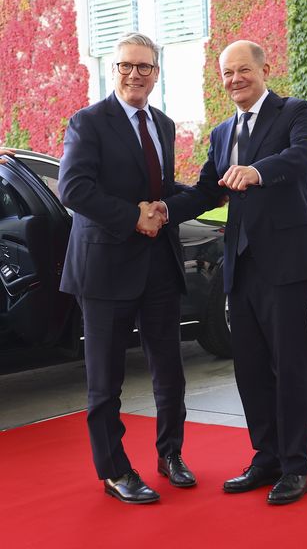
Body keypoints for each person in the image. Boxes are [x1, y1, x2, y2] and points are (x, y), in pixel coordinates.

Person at [149, 39, 307, 505]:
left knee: (289, 365)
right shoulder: (222, 132)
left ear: (265, 68)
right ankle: (266, 456)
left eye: (243, 70)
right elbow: (209, 190)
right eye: (227, 73)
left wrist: (257, 171)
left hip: (287, 263)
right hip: (240, 265)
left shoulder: (293, 112)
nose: (234, 80)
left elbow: (304, 155)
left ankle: (296, 466)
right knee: (249, 367)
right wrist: (164, 209)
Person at [58, 32, 200, 505]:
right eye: (126, 66)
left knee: (171, 372)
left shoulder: (161, 123)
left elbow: (156, 185)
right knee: (106, 380)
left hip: (157, 265)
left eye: (144, 67)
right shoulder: (87, 122)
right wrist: (133, 215)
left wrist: (208, 192)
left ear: (156, 73)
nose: (135, 74)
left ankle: (171, 454)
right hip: (103, 270)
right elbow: (74, 189)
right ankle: (114, 470)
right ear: (112, 69)